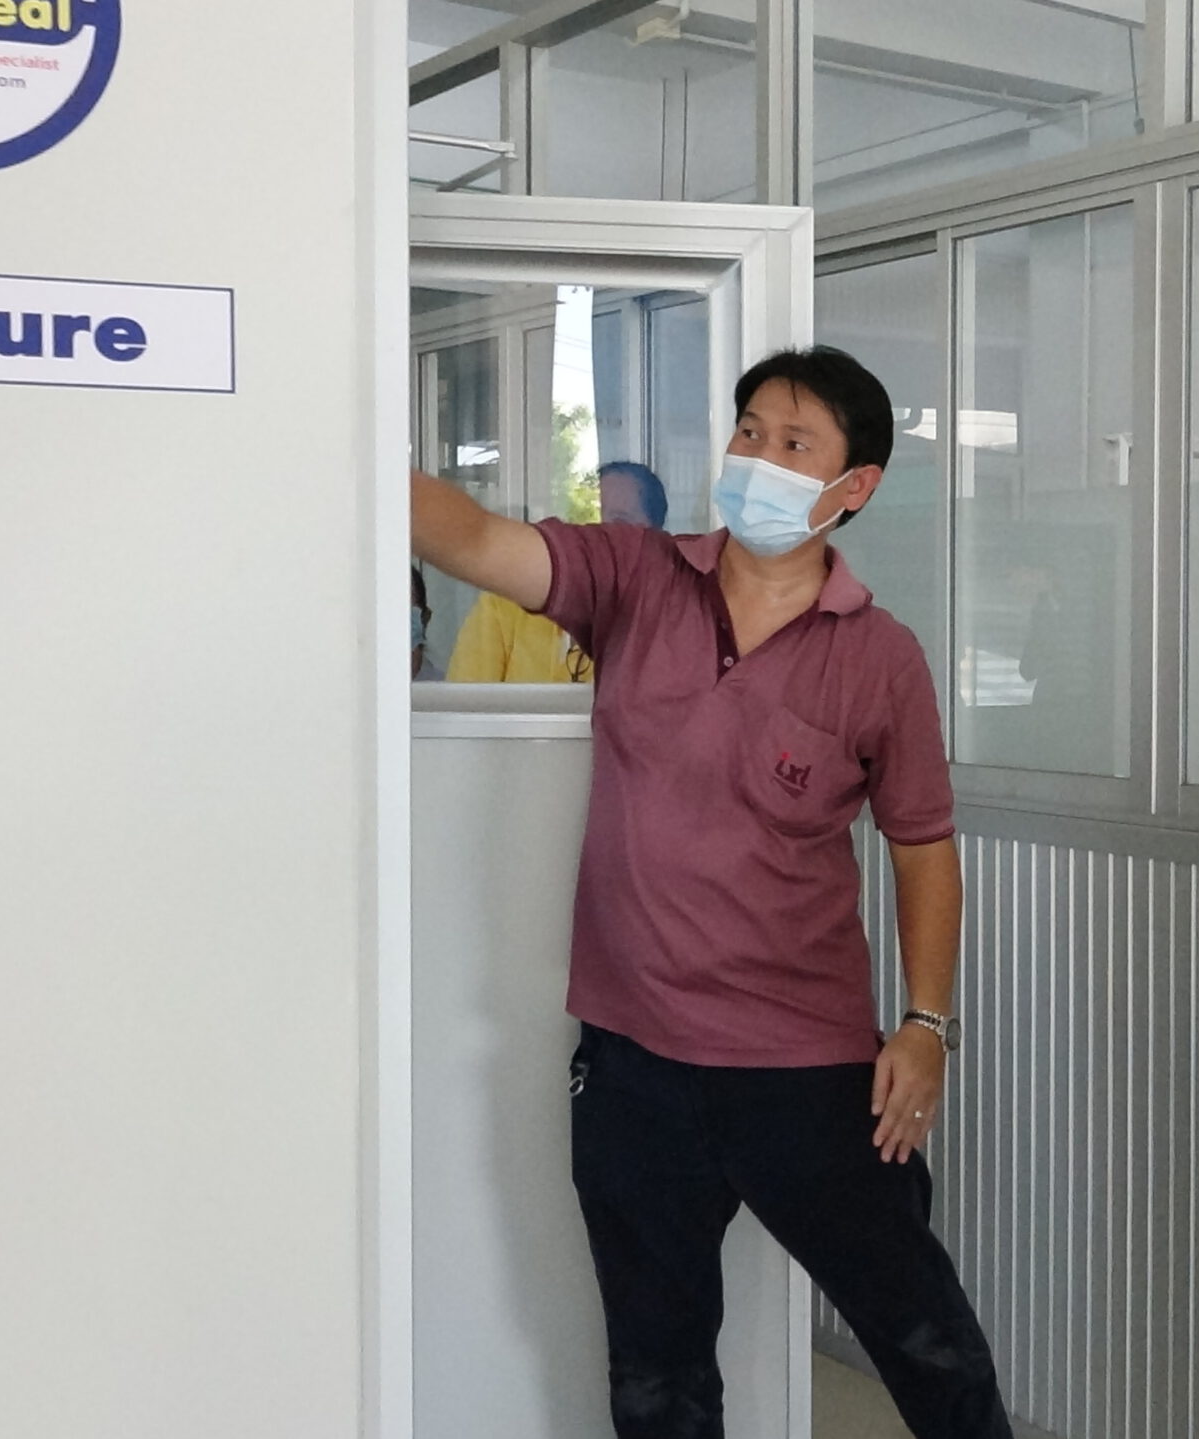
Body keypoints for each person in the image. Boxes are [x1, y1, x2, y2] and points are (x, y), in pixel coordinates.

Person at [411, 347, 1009, 1439]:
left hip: (808, 1070)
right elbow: (477, 541)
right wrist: (351, 450)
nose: (758, 458)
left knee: (927, 1341)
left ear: (855, 486)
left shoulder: (881, 657)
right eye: (749, 432)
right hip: (636, 1067)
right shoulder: (636, 578)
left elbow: (923, 844)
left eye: (795, 444)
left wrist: (926, 1024)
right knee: (657, 1372)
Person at [445, 461, 669, 684]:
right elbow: (465, 702)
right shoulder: (505, 602)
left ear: (654, 540)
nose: (595, 532)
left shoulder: (665, 623)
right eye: (586, 517)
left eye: (618, 521)